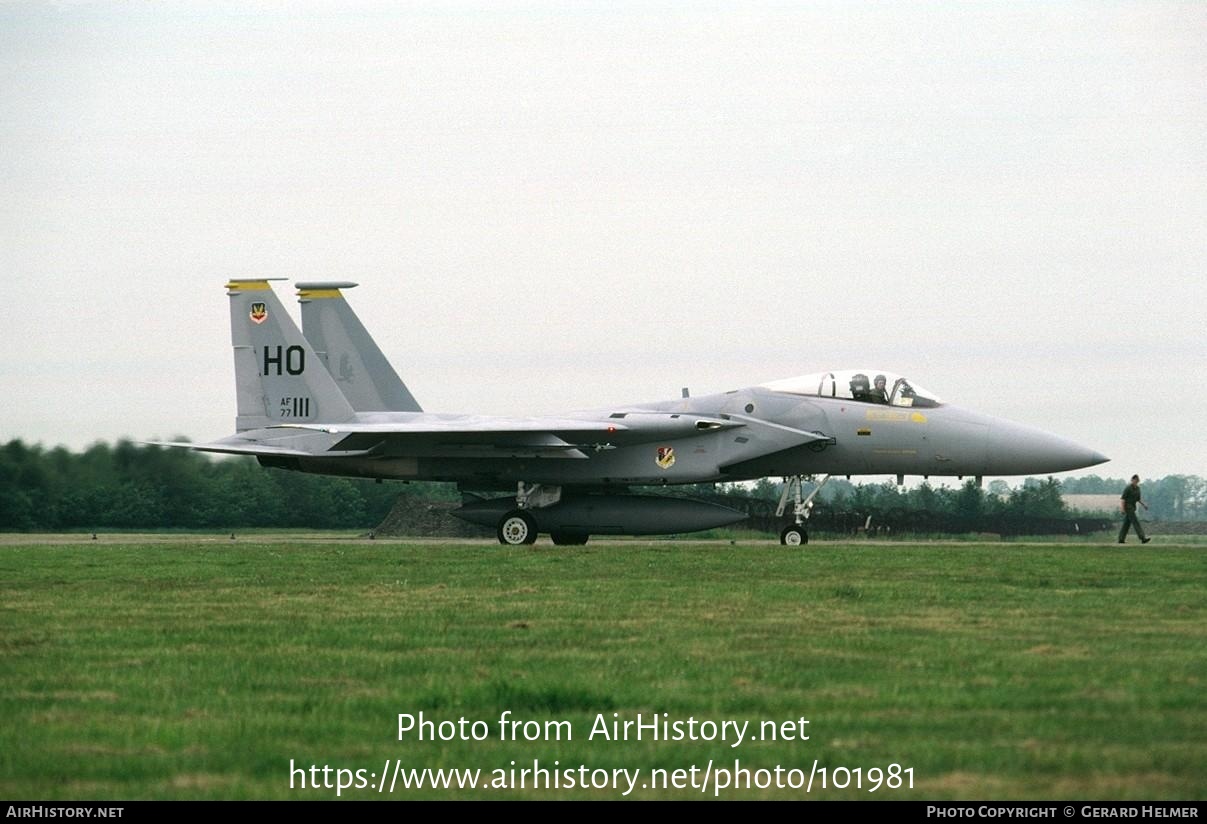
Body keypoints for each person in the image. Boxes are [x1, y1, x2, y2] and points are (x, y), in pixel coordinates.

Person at [1118, 474, 1151, 544]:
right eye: (1135, 480)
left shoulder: (1138, 489)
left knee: (1126, 524)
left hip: (1133, 507)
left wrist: (1144, 505)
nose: (1136, 482)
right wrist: (1122, 509)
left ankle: (1121, 539)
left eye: (1137, 480)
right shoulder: (1128, 488)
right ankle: (1142, 538)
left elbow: (1138, 499)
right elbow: (1123, 499)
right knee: (1135, 522)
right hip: (1128, 507)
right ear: (1132, 480)